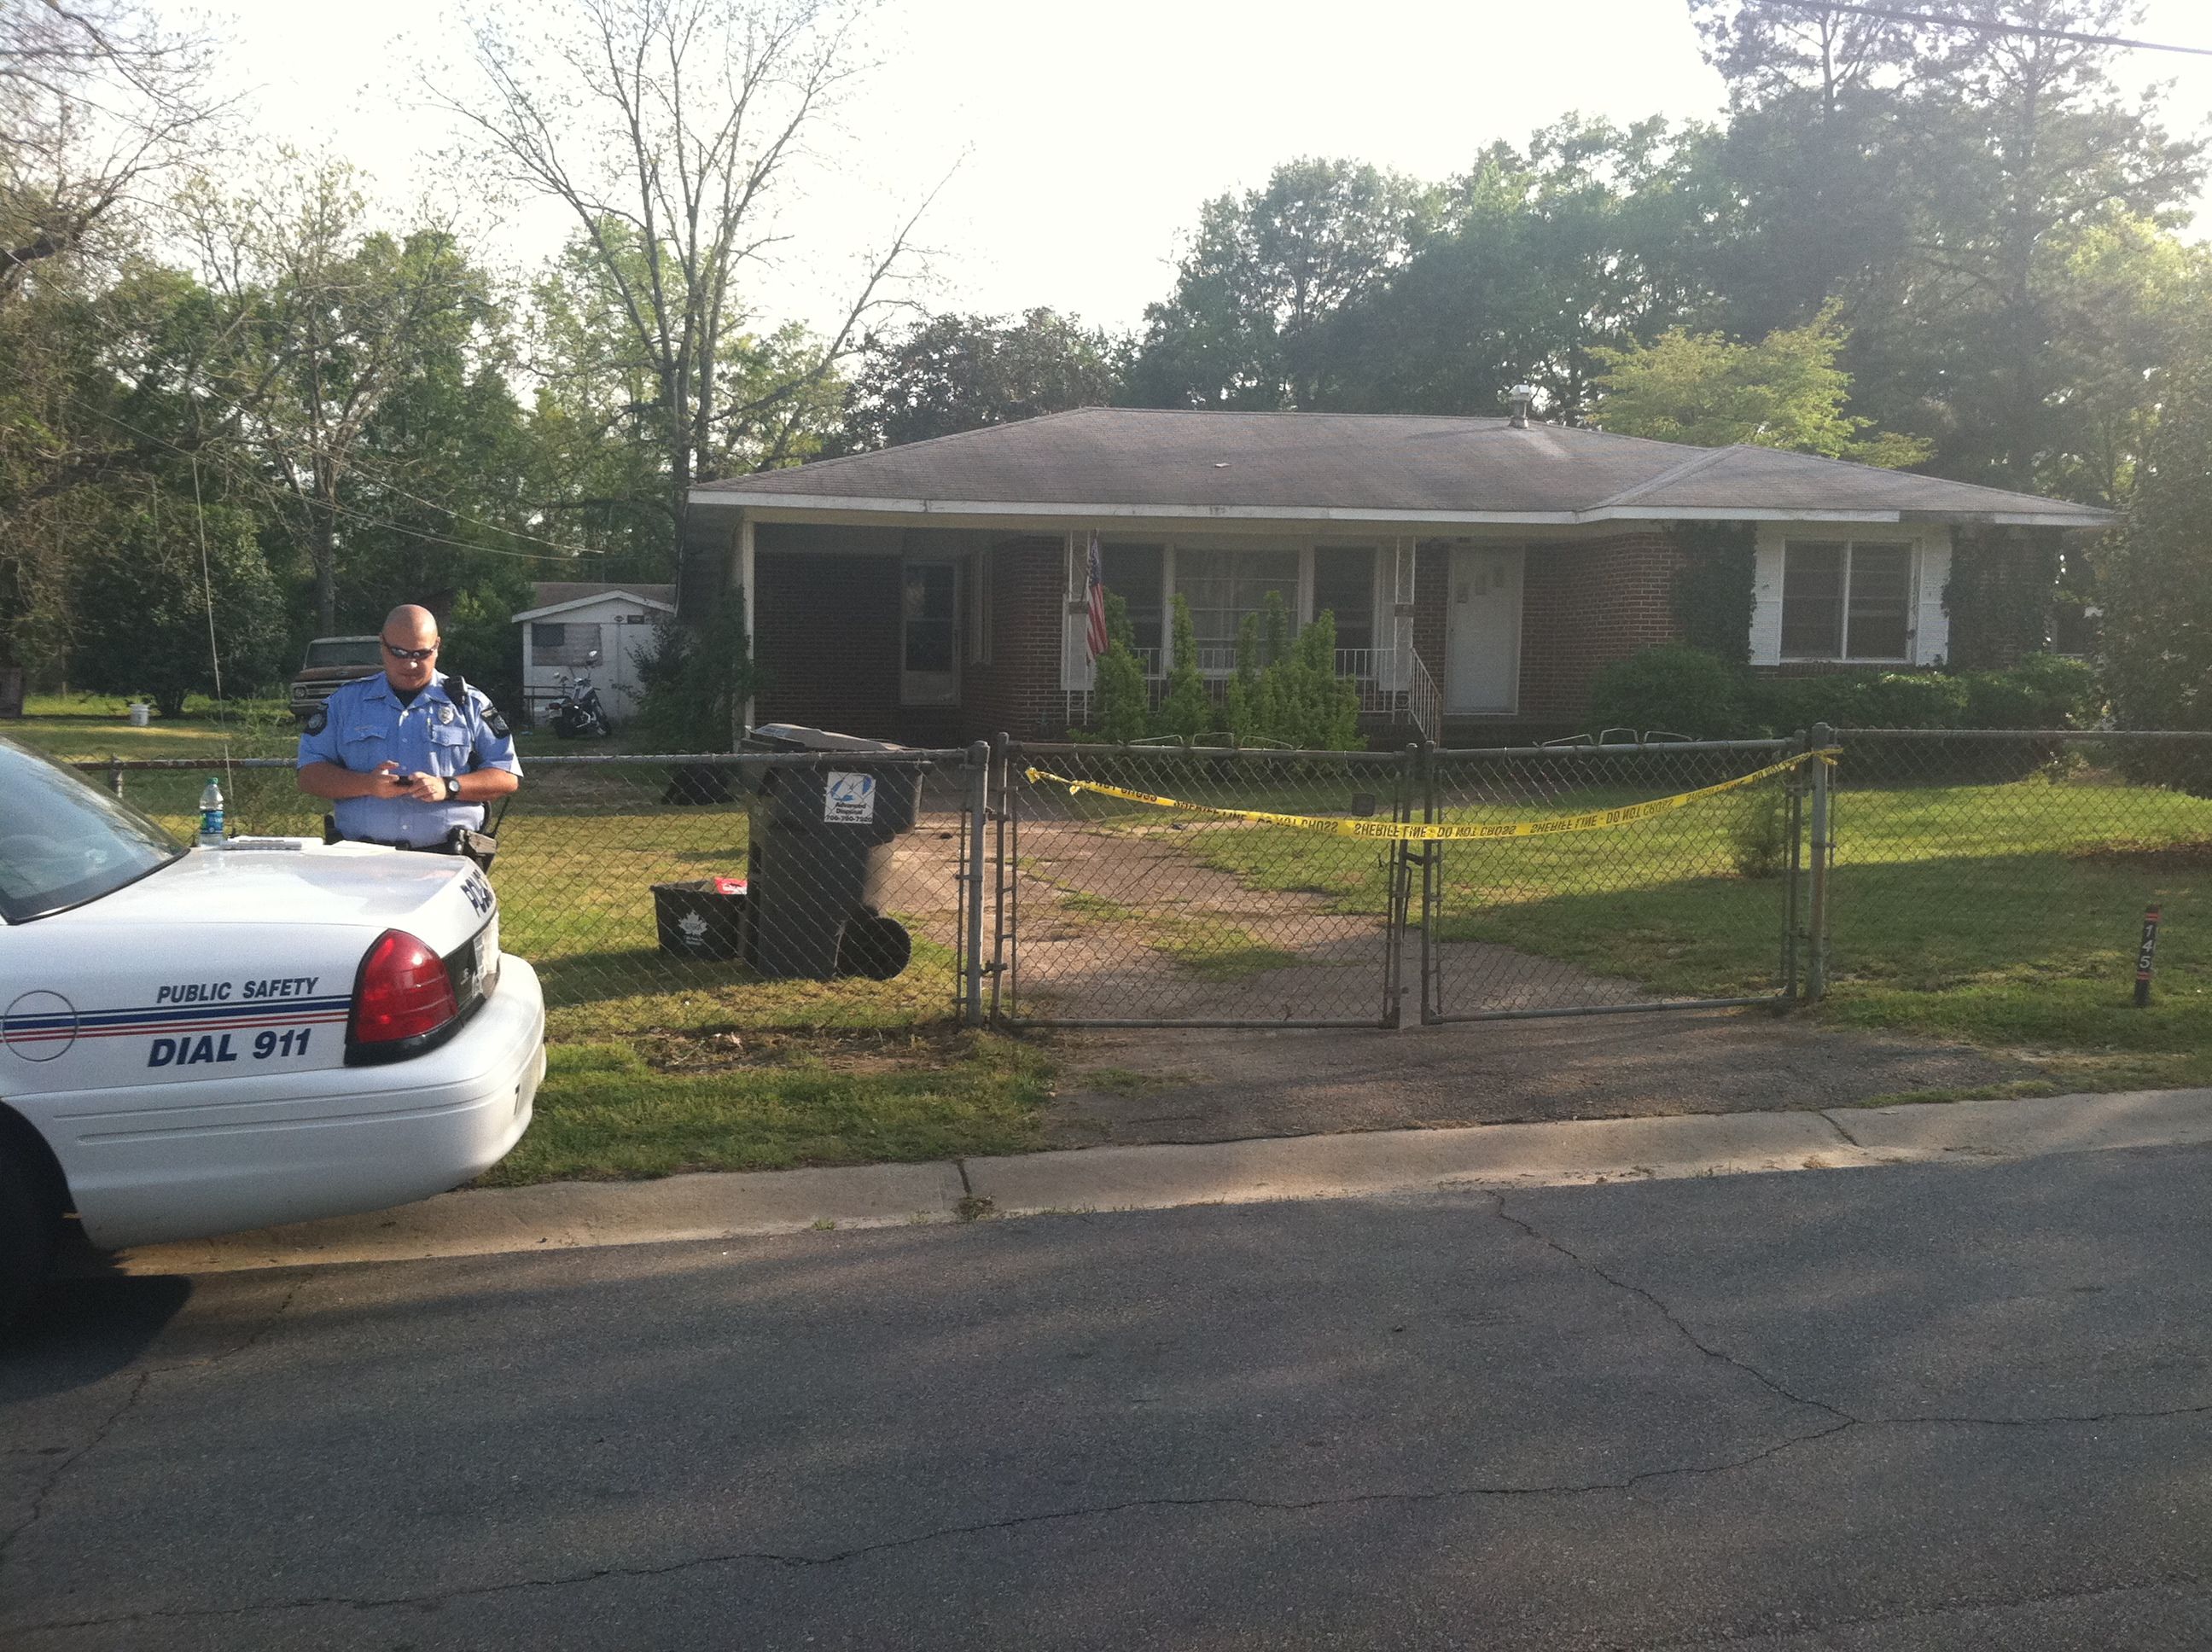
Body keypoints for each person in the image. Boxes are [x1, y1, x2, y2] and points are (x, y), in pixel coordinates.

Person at [296, 604, 521, 858]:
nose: (411, 664)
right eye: (400, 652)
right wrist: (368, 785)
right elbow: (309, 774)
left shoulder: (469, 703)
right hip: (360, 862)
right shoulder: (345, 703)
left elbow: (506, 776)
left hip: (447, 862)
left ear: (437, 646)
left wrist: (448, 787)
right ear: (382, 644)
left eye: (421, 653)